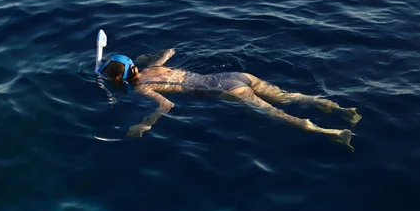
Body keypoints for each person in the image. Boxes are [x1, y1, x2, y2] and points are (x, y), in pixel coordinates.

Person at [97, 49, 362, 151]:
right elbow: (168, 52)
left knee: (278, 115)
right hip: (234, 75)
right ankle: (344, 110)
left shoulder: (141, 89)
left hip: (224, 92)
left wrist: (146, 124)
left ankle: (334, 132)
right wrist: (153, 57)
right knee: (289, 97)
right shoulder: (154, 68)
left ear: (118, 81)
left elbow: (167, 104)